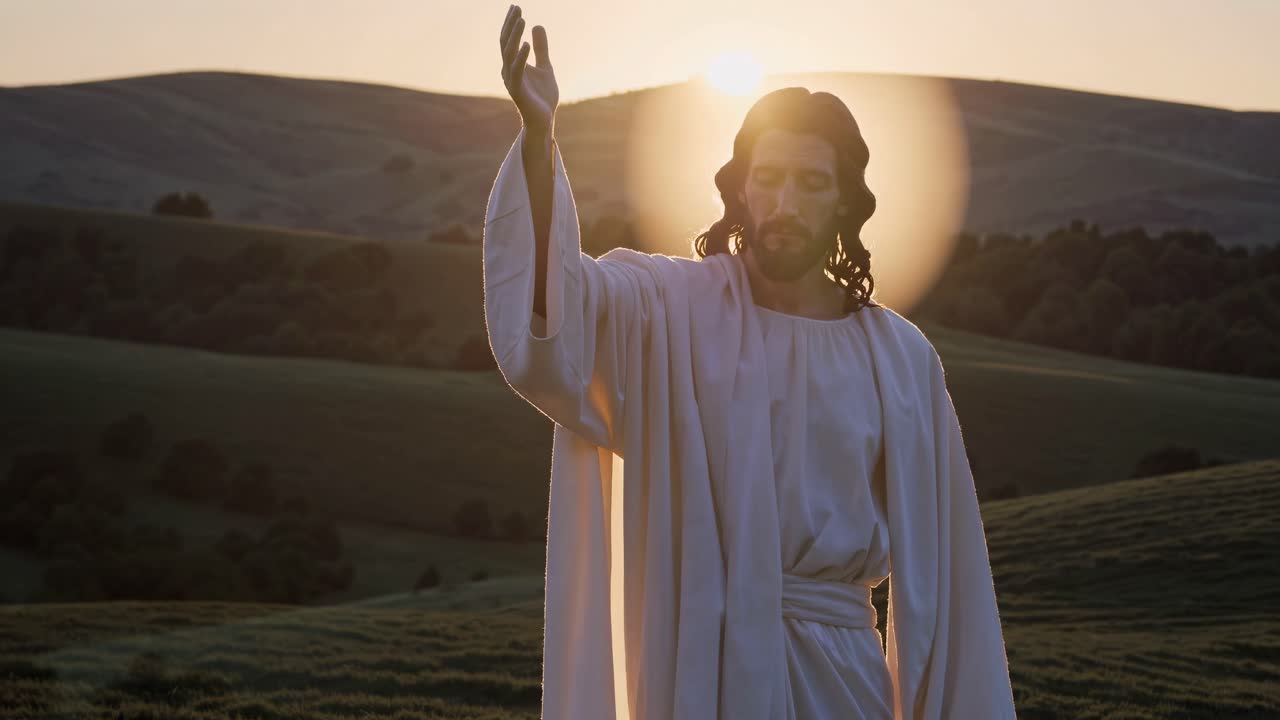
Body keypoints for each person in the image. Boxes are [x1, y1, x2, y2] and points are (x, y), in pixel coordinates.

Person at [484, 5, 1018, 719]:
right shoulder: (674, 310)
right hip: (700, 663)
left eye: (811, 182)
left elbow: (944, 579)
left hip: (842, 680)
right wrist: (539, 143)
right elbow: (562, 315)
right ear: (740, 189)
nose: (784, 202)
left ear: (844, 204)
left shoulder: (899, 360)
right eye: (767, 178)